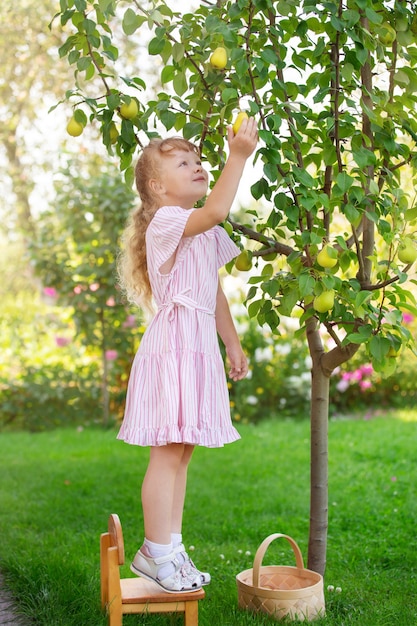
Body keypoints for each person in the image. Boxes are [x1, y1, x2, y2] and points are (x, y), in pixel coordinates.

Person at [117, 117, 258, 594]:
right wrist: (237, 155)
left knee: (184, 449)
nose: (198, 167)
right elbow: (217, 210)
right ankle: (155, 552)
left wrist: (232, 342)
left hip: (197, 346)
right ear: (158, 187)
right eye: (185, 163)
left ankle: (170, 548)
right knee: (167, 450)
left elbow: (212, 289)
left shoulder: (198, 231)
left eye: (200, 161)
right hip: (174, 346)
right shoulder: (167, 221)